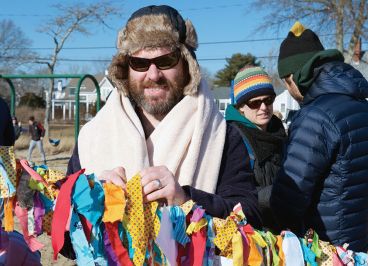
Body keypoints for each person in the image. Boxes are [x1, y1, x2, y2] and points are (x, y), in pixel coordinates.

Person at [67, 5, 262, 227]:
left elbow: (251, 218)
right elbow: (65, 242)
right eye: (139, 63)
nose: (153, 75)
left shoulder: (222, 136)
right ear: (125, 69)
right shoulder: (92, 136)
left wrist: (187, 201)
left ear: (187, 64)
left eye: (166, 61)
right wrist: (90, 199)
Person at [270, 21, 368, 252]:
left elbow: (289, 201)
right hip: (357, 245)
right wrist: (350, 181)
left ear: (295, 76)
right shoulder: (366, 110)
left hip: (322, 248)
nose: (289, 90)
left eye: (287, 82)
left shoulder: (314, 116)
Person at [225, 66, 286, 231]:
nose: (264, 107)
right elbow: (234, 195)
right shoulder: (232, 138)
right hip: (253, 234)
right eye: (255, 103)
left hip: (283, 230)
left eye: (268, 100)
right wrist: (280, 193)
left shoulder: (280, 133)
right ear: (241, 107)